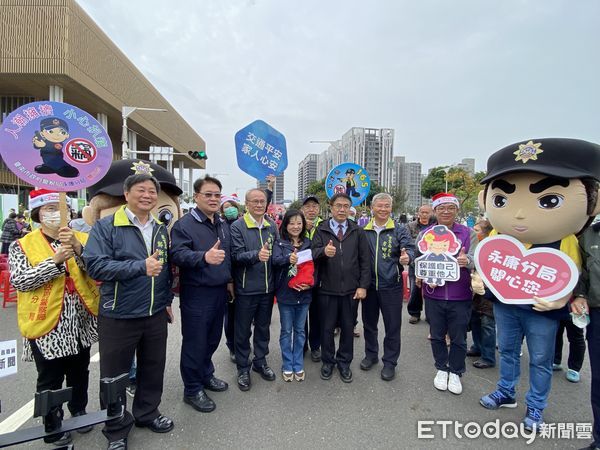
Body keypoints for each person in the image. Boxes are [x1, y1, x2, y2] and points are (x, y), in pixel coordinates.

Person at [477, 138, 600, 432]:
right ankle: (506, 391)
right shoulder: (497, 234)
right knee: (506, 350)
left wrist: (563, 298)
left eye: (548, 200)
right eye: (502, 200)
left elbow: (576, 274)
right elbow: (486, 263)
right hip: (505, 305)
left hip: (541, 309)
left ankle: (535, 406)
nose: (519, 214)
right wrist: (479, 280)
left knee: (541, 359)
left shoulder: (566, 239)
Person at [84, 173, 175, 450]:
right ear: (126, 194)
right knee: (114, 376)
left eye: (151, 192)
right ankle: (115, 428)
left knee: (152, 368)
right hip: (118, 313)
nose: (147, 195)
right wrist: (138, 267)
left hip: (155, 312)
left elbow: (164, 269)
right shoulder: (107, 226)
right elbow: (95, 266)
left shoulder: (160, 228)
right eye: (141, 190)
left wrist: (167, 298)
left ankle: (147, 413)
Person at [9, 189, 99, 446]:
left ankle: (79, 410)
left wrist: (78, 250)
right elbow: (20, 281)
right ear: (38, 213)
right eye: (49, 209)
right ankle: (52, 422)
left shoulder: (82, 237)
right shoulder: (22, 244)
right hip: (47, 322)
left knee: (80, 371)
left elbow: (96, 269)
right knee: (49, 377)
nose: (56, 213)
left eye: (60, 208)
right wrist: (55, 261)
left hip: (80, 319)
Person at [170, 176, 232, 413]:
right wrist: (203, 257)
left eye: (217, 194)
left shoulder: (221, 223)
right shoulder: (184, 225)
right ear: (196, 197)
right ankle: (192, 388)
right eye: (208, 194)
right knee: (195, 342)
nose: (214, 199)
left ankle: (206, 374)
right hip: (197, 293)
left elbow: (226, 256)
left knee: (212, 339)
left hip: (219, 291)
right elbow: (177, 254)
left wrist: (229, 281)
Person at [415, 192, 477, 396]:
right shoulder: (426, 233)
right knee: (437, 334)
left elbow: (478, 258)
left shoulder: (468, 233)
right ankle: (441, 368)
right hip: (433, 293)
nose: (446, 211)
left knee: (459, 336)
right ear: (435, 211)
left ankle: (456, 371)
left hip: (460, 294)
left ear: (457, 210)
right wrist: (418, 273)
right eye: (441, 208)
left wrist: (466, 261)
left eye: (451, 208)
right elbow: (419, 259)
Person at [312, 193, 370, 383]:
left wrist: (363, 286)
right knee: (326, 328)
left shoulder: (357, 230)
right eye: (338, 206)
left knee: (347, 328)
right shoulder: (321, 229)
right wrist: (323, 252)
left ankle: (344, 363)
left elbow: (365, 261)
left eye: (346, 206)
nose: (342, 209)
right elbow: (311, 254)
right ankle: (328, 362)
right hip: (326, 289)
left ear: (350, 208)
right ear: (331, 207)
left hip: (351, 290)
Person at [361, 193, 415, 381]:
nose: (383, 209)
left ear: (391, 208)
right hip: (368, 286)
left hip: (391, 285)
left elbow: (410, 248)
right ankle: (371, 355)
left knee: (392, 326)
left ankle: (390, 362)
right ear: (372, 208)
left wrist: (408, 256)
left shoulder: (399, 230)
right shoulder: (363, 230)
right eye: (379, 206)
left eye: (387, 206)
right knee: (369, 324)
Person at [230, 188, 279, 391]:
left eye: (262, 201)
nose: (259, 204)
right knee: (242, 332)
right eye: (255, 201)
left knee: (263, 328)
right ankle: (243, 368)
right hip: (246, 289)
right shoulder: (237, 226)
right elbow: (236, 256)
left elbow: (277, 253)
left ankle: (260, 361)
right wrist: (255, 256)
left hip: (267, 289)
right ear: (246, 203)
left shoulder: (272, 226)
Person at [272, 209, 314, 381]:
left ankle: (298, 363)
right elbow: (274, 261)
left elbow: (315, 269)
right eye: (292, 223)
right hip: (285, 295)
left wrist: (309, 284)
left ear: (303, 224)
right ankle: (287, 364)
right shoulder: (279, 243)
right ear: (285, 225)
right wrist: (287, 259)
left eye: (299, 223)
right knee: (286, 331)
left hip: (304, 295)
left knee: (300, 331)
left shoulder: (309, 243)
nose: (295, 226)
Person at [574, 219, 600, 450]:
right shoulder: (590, 235)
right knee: (599, 379)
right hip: (598, 312)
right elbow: (581, 271)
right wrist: (580, 295)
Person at [467, 219, 497, 369]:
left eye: (477, 230)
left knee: (487, 324)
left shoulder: (494, 248)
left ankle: (488, 356)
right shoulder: (475, 246)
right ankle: (477, 347)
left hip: (489, 292)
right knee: (475, 320)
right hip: (475, 291)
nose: (474, 232)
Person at [300, 195, 323, 362]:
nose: (311, 209)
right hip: (300, 279)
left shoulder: (325, 226)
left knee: (316, 315)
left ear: (319, 209)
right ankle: (301, 346)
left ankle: (316, 346)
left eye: (314, 206)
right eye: (307, 206)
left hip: (319, 280)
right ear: (302, 209)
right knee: (300, 316)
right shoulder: (295, 226)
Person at [220, 193, 242, 363]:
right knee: (231, 316)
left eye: (231, 206)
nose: (229, 210)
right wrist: (229, 280)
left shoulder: (243, 223)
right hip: (229, 279)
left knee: (244, 316)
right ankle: (232, 346)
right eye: (225, 207)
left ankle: (242, 344)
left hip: (246, 278)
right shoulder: (220, 227)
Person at [406, 204, 436, 324]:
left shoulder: (436, 226)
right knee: (415, 289)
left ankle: (430, 314)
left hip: (432, 263)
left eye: (427, 212)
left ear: (432, 213)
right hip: (416, 262)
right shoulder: (410, 226)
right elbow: (408, 243)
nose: (424, 214)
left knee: (431, 289)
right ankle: (414, 312)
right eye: (422, 212)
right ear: (418, 213)